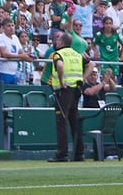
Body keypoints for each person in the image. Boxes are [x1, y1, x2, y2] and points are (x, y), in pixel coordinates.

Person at [46, 31, 85, 163]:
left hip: (64, 90)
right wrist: (82, 79)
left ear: (61, 42)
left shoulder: (58, 54)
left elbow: (60, 65)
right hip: (76, 89)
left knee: (61, 120)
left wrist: (62, 80)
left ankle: (62, 153)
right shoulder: (77, 54)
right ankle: (79, 153)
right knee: (74, 120)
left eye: (58, 40)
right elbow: (91, 64)